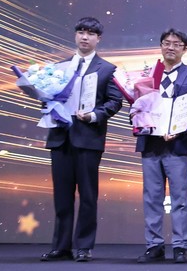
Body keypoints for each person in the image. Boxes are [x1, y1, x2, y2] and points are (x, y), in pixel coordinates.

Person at [40, 17, 123, 262]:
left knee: (87, 195)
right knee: (61, 195)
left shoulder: (107, 69)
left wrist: (93, 115)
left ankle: (84, 246)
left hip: (88, 137)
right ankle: (61, 247)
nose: (85, 37)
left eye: (90, 33)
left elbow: (114, 102)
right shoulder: (59, 68)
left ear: (98, 39)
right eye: (81, 32)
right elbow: (48, 97)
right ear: (75, 35)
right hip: (60, 137)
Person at [136, 29, 187, 264]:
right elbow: (137, 105)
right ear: (161, 46)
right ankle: (154, 245)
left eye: (176, 44)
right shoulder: (147, 75)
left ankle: (180, 246)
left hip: (179, 144)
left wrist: (180, 126)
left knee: (180, 198)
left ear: (185, 48)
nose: (171, 47)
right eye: (166, 43)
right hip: (151, 143)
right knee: (152, 197)